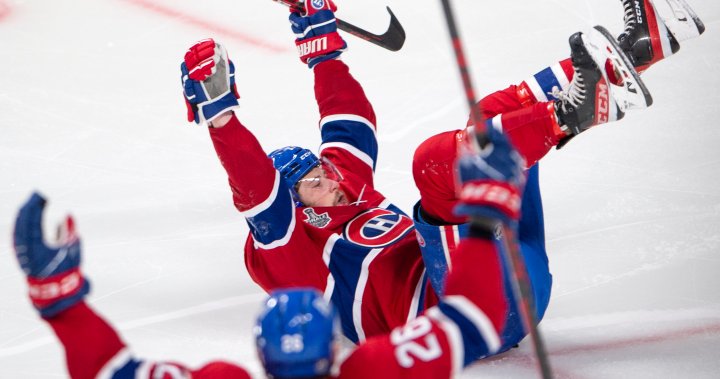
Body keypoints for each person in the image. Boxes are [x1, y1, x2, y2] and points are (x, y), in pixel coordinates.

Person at [180, 0, 703, 358]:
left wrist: (318, 43)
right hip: (468, 313)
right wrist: (221, 116)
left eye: (326, 170)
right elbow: (255, 187)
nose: (334, 180)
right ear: (296, 206)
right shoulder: (293, 253)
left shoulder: (347, 191)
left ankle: (642, 47)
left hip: (508, 269)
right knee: (435, 163)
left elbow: (347, 119)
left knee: (488, 122)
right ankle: (573, 112)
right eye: (317, 181)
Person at [11, 124, 526, 378]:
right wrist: (485, 214)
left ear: (260, 353)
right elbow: (474, 314)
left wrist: (60, 302)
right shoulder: (376, 366)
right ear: (332, 351)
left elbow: (111, 370)